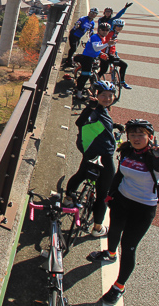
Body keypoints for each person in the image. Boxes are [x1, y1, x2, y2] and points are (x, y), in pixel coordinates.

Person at [88, 119, 159, 306]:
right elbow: (119, 174)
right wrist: (110, 194)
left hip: (143, 209)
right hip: (121, 201)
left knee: (128, 246)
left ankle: (119, 286)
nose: (135, 138)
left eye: (140, 134)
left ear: (150, 137)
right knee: (114, 230)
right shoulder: (127, 151)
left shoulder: (155, 158)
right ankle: (109, 254)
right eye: (132, 134)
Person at [64, 80, 122, 237]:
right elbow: (80, 122)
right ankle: (97, 229)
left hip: (91, 153)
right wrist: (90, 107)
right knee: (102, 194)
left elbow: (99, 124)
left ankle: (68, 197)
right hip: (103, 155)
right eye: (103, 95)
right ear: (96, 95)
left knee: (81, 174)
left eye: (110, 95)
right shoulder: (95, 110)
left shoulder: (102, 110)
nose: (107, 98)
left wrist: (115, 125)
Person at [74, 22, 111, 100]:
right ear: (99, 30)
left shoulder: (100, 37)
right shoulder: (95, 37)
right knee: (85, 76)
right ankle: (78, 94)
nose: (105, 31)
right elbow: (96, 48)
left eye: (107, 30)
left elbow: (97, 49)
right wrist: (107, 44)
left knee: (90, 73)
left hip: (92, 57)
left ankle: (80, 89)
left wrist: (101, 53)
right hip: (87, 58)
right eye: (103, 30)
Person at [98, 19, 132, 90]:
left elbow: (113, 45)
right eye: (118, 26)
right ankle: (95, 79)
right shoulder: (110, 33)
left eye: (121, 26)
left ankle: (122, 81)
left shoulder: (115, 33)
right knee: (103, 70)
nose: (120, 28)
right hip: (105, 54)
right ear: (114, 26)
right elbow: (105, 43)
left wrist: (115, 53)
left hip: (111, 54)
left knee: (123, 65)